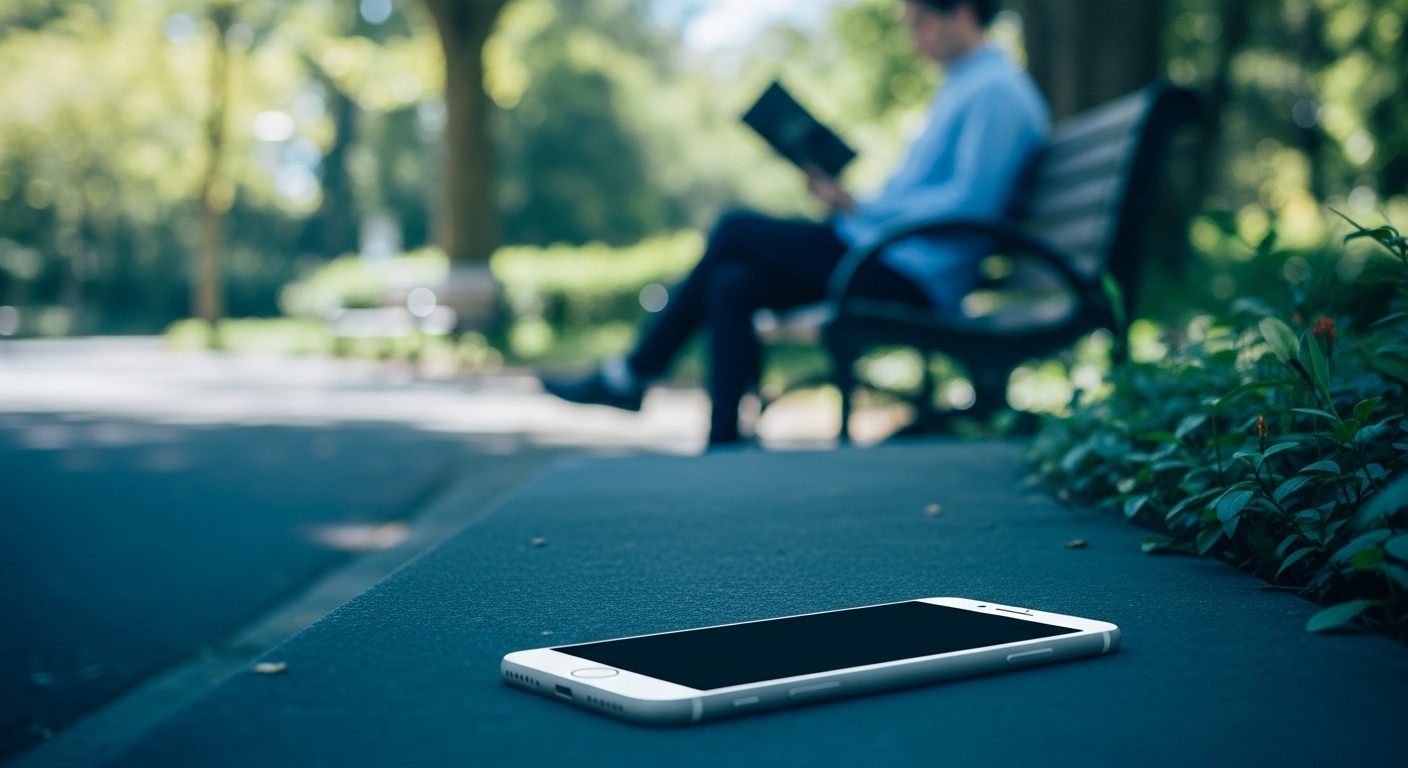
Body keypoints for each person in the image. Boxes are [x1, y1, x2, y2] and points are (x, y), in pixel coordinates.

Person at [543, 0, 1050, 447]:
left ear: (960, 12)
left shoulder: (995, 92)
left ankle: (634, 373)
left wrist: (860, 208)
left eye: (919, 22)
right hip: (885, 252)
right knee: (732, 281)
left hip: (909, 271)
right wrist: (852, 202)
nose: (913, 39)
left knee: (735, 230)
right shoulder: (965, 87)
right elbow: (933, 196)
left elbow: (970, 207)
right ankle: (721, 443)